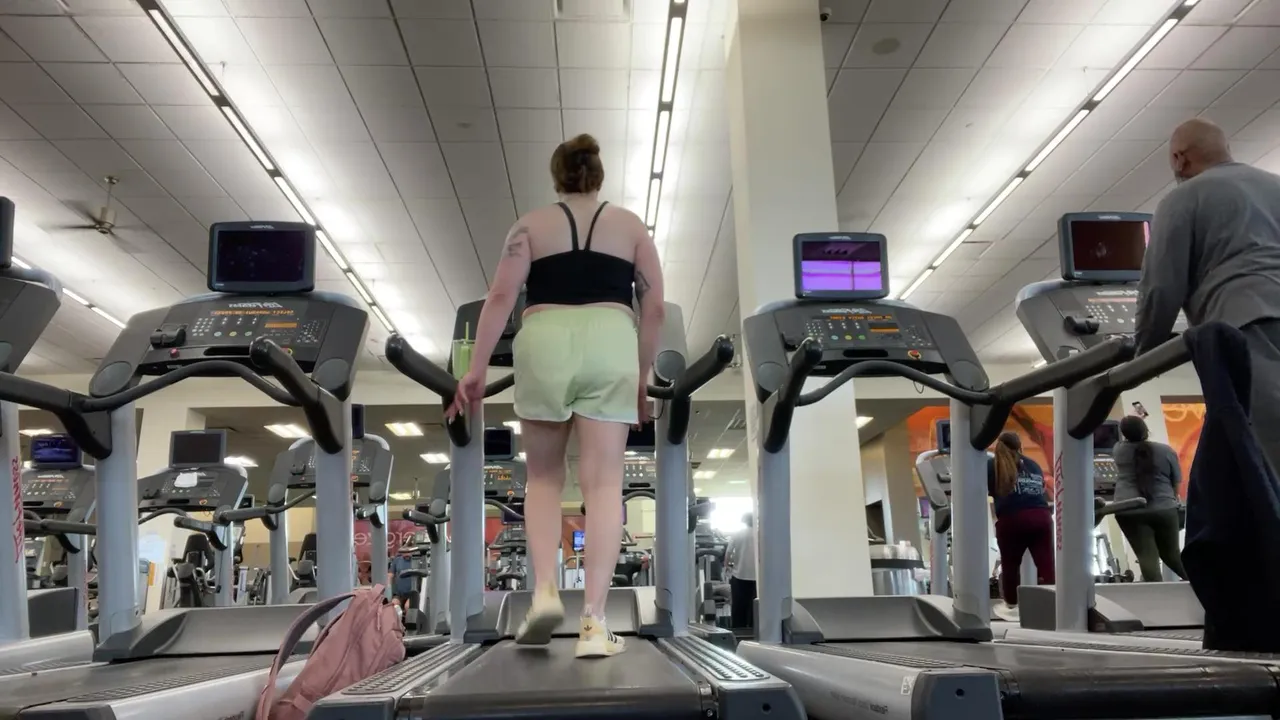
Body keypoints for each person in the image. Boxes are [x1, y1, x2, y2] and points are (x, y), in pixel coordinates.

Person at [447, 133, 664, 659]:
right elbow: (655, 305)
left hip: (543, 341)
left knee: (544, 479)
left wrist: (476, 370)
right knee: (604, 484)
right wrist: (642, 375)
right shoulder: (631, 226)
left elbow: (500, 296)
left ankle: (545, 592)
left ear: (557, 177)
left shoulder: (529, 226)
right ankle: (594, 623)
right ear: (598, 176)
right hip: (611, 340)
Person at [1135, 118, 1280, 473]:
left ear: (1179, 158)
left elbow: (1160, 289)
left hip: (1244, 326)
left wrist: (1142, 357)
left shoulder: (1181, 199)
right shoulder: (1275, 185)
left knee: (1267, 450)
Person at [987, 432, 1054, 619]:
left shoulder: (992, 465)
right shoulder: (1033, 464)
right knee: (1046, 564)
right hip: (1042, 517)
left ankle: (1011, 605)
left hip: (1012, 519)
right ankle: (1054, 603)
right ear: (1020, 446)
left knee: (1010, 565)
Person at [1112, 415, 1188, 582]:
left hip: (1129, 509)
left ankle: (1156, 594)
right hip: (1164, 508)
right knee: (1172, 555)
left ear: (1124, 433)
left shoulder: (1118, 450)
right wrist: (1172, 500)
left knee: (1146, 557)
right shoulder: (1166, 451)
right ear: (1145, 430)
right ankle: (1201, 586)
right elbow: (1176, 482)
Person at [724, 513, 757, 631]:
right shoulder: (759, 533)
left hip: (739, 575)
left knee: (738, 605)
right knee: (754, 605)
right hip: (756, 577)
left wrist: (726, 566)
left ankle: (738, 630)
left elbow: (728, 552)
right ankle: (753, 628)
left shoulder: (737, 534)